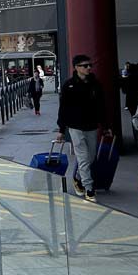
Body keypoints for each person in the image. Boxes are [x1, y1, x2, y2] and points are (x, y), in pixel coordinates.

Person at [55, 54, 107, 202]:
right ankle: (89, 189)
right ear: (77, 67)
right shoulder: (69, 85)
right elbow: (63, 108)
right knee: (83, 158)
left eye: (90, 65)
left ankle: (77, 178)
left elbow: (101, 106)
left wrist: (105, 125)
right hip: (75, 127)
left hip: (91, 126)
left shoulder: (95, 84)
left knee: (91, 157)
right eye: (85, 65)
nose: (89, 68)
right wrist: (61, 130)